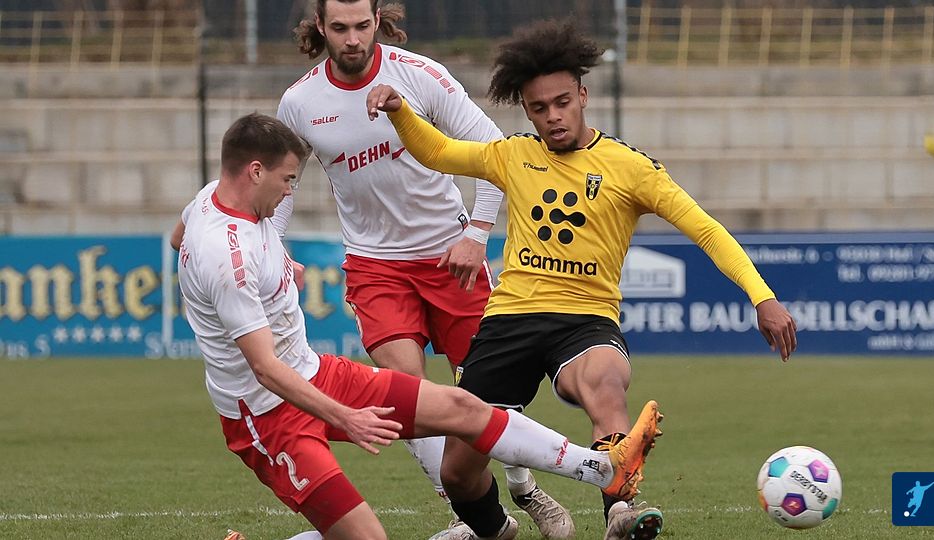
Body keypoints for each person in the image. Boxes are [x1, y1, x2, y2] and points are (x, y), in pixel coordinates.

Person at [366, 19, 799, 540]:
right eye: (539, 108)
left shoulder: (630, 167)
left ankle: (620, 509)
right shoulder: (512, 155)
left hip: (585, 318)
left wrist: (762, 296)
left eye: (562, 102)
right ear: (527, 110)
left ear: (583, 96)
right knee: (457, 471)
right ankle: (495, 529)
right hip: (510, 319)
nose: (553, 116)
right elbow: (438, 152)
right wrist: (401, 111)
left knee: (605, 384)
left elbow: (705, 230)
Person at [177, 112, 662, 540]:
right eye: (286, 179)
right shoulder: (227, 259)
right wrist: (345, 417)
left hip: (313, 373)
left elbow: (181, 236)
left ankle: (604, 468)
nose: (289, 191)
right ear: (254, 171)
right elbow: (264, 368)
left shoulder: (208, 202)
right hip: (267, 416)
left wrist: (277, 267)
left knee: (462, 407)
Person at [274, 2, 574, 537]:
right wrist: (274, 248)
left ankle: (524, 485)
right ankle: (477, 518)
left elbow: (496, 152)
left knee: (485, 392)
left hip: (449, 257)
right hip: (375, 266)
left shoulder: (421, 76)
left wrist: (476, 234)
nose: (352, 39)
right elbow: (281, 182)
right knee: (407, 394)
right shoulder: (300, 102)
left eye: (361, 26)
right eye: (339, 28)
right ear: (320, 27)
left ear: (377, 20)